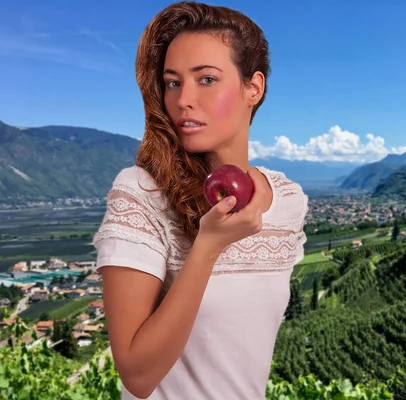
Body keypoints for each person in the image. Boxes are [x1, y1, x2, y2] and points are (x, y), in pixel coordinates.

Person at [92, 2, 308, 399]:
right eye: (173, 82)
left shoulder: (289, 201)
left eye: (205, 79)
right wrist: (207, 247)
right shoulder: (141, 194)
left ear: (253, 87)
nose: (183, 99)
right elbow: (137, 376)